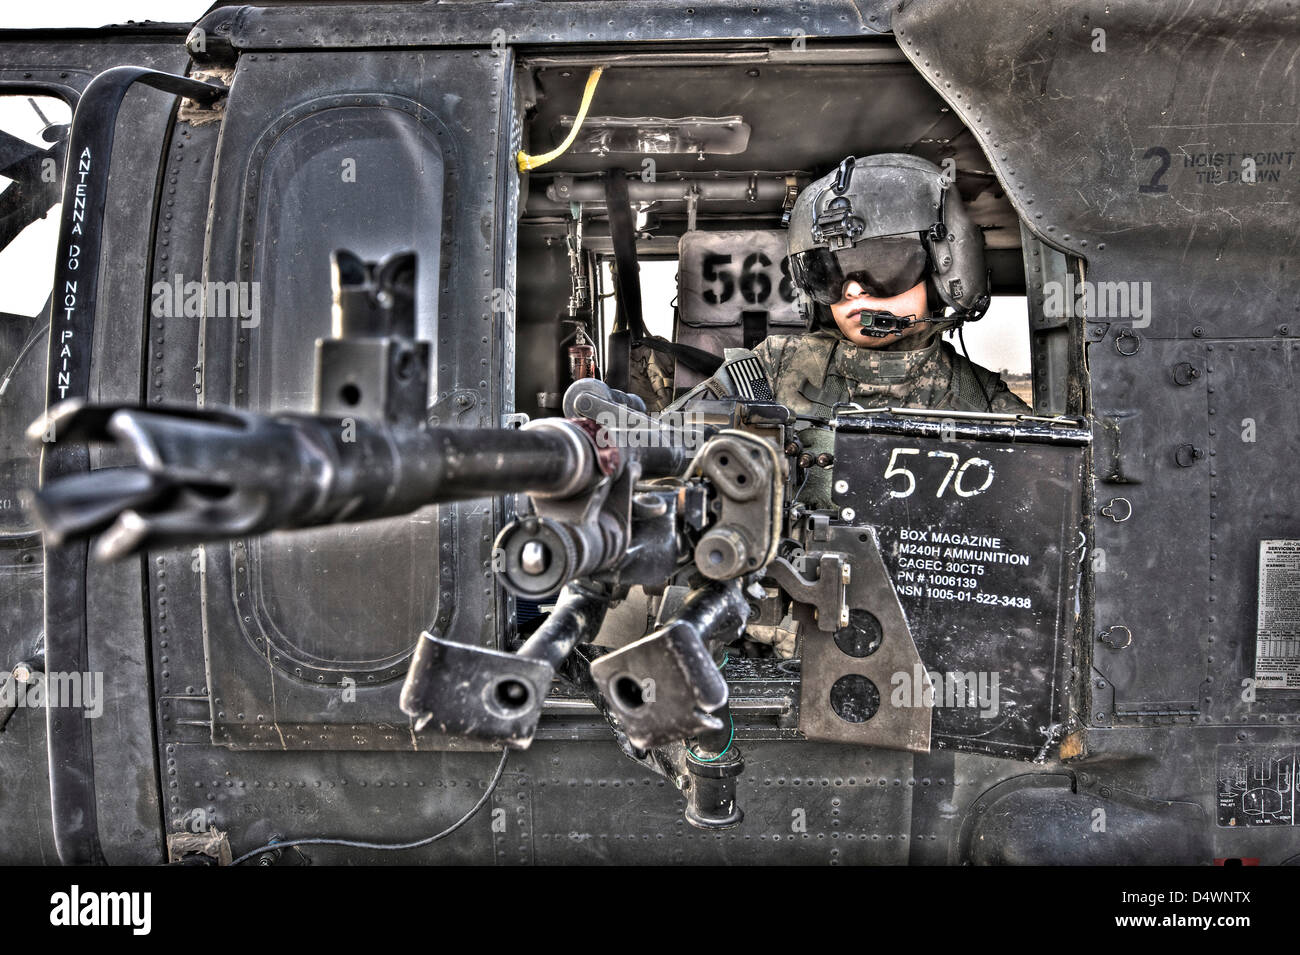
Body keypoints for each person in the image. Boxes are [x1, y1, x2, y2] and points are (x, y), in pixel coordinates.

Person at [753, 152, 1030, 507]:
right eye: (829, 273)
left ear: (942, 271)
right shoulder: (771, 367)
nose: (852, 290)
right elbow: (674, 443)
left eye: (881, 265)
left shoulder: (983, 402)